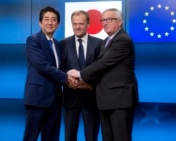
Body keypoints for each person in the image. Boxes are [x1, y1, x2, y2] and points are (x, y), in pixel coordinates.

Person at [68, 8, 139, 141]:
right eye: (103, 20)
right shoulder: (107, 40)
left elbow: (103, 63)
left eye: (109, 19)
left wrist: (80, 74)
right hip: (106, 100)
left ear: (120, 22)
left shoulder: (123, 39)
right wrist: (87, 84)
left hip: (120, 100)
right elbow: (101, 68)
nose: (105, 23)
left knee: (120, 137)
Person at [23, 6, 75, 141]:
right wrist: (65, 77)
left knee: (52, 137)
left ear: (58, 24)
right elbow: (42, 65)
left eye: (53, 20)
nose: (50, 23)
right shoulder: (33, 40)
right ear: (40, 22)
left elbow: (60, 67)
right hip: (37, 99)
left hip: (55, 99)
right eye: (46, 19)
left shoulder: (58, 44)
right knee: (31, 136)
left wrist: (73, 76)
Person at [60, 10, 102, 141]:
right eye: (74, 24)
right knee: (69, 136)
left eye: (81, 24)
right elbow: (60, 68)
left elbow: (101, 69)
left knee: (91, 136)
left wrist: (89, 84)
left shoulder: (100, 43)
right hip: (70, 97)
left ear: (88, 24)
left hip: (92, 98)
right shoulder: (63, 43)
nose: (77, 27)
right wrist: (68, 80)